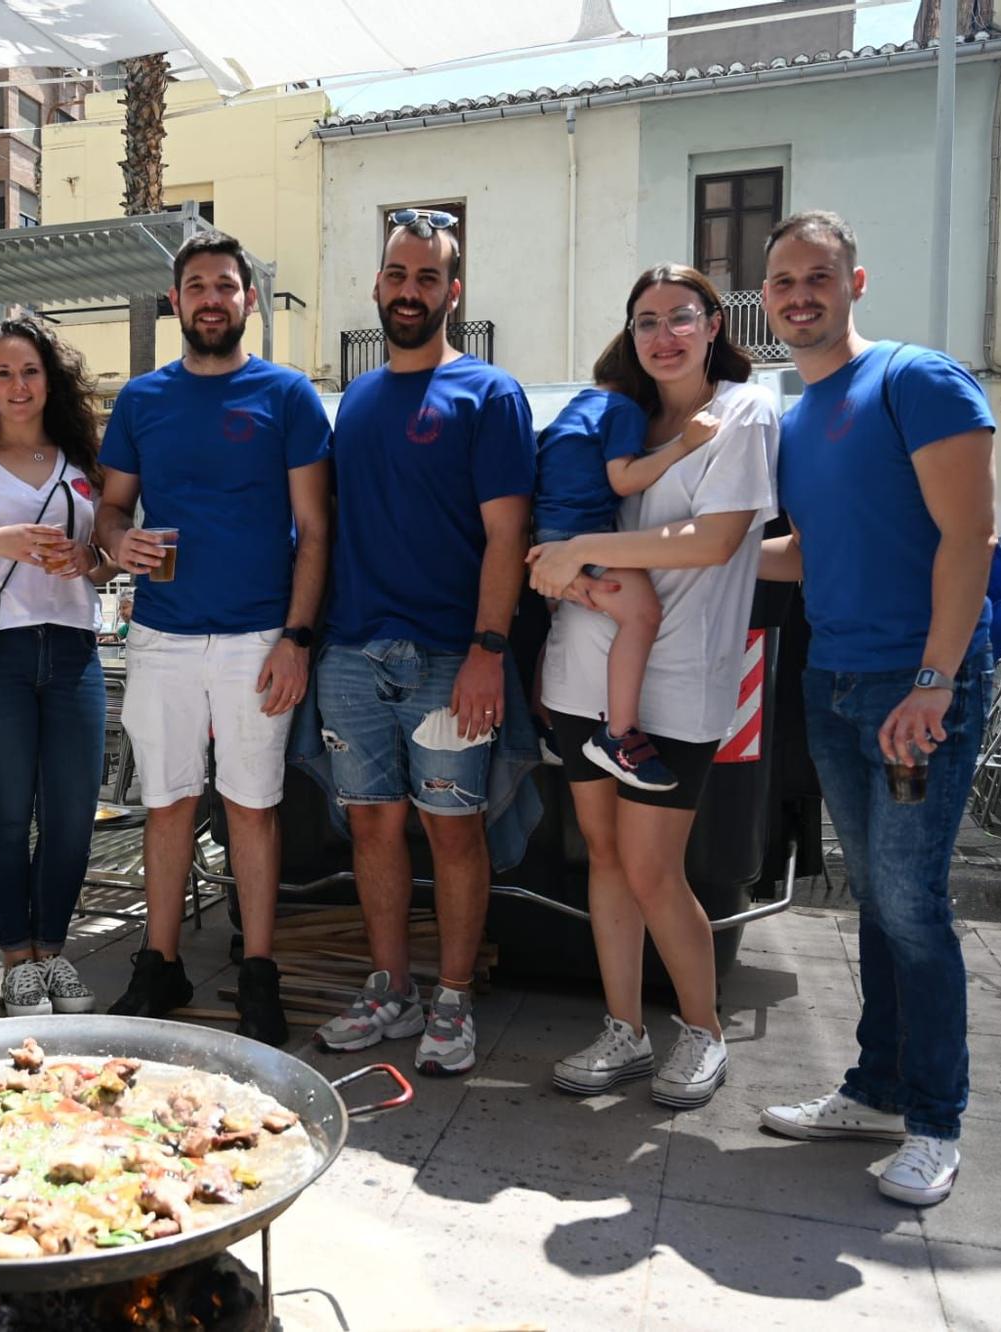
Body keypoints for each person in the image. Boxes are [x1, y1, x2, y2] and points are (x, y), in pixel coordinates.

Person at [754, 210, 997, 1207]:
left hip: (916, 690)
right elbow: (804, 551)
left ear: (854, 284)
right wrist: (680, 556)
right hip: (833, 683)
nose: (798, 294)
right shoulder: (793, 415)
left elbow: (968, 538)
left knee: (910, 905)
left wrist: (933, 684)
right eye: (780, 281)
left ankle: (935, 1121)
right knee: (875, 902)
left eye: (817, 276)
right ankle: (875, 1086)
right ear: (764, 297)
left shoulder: (915, 380)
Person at [525, 265, 780, 1111]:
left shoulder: (741, 412)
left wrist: (583, 547)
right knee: (601, 856)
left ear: (714, 324)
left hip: (677, 683)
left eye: (680, 317)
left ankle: (701, 1029)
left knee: (652, 867)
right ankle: (625, 1029)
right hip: (581, 670)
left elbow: (711, 543)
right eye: (645, 321)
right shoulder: (623, 417)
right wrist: (564, 560)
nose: (663, 335)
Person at [310, 209, 534, 1078]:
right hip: (351, 656)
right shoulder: (356, 400)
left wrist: (487, 649)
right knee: (370, 828)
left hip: (451, 659)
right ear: (377, 284)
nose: (410, 292)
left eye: (427, 278)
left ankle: (451, 1002)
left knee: (453, 832)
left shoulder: (490, 394)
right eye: (397, 276)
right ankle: (388, 988)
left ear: (453, 291)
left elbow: (507, 538)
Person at [96, 231, 333, 1044]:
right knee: (165, 804)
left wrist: (296, 637)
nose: (210, 299)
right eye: (196, 285)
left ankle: (258, 970)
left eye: (225, 286)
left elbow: (314, 526)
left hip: (257, 637)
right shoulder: (141, 400)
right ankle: (159, 963)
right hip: (160, 635)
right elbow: (110, 508)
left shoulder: (288, 396)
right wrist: (115, 541)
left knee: (251, 810)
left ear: (247, 300)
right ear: (176, 302)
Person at [0, 319, 115, 1016]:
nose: (17, 386)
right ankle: (17, 959)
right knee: (7, 816)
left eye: (29, 371)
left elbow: (108, 558)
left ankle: (54, 951)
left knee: (70, 815)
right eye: (3, 373)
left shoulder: (83, 462)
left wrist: (88, 560)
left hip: (71, 648)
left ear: (50, 380)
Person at [534, 377, 720, 791]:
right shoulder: (623, 409)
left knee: (558, 625)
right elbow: (623, 479)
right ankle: (618, 736)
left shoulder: (578, 405)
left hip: (551, 534)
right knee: (643, 614)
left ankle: (544, 726)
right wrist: (684, 444)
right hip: (581, 536)